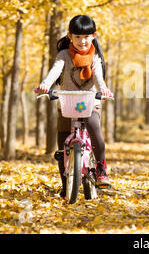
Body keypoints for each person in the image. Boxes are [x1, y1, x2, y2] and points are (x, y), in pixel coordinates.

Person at [37, 15, 112, 197]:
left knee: (95, 131)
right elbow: (55, 70)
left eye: (86, 36)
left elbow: (98, 78)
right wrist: (45, 84)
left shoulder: (95, 57)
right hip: (67, 104)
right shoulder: (64, 55)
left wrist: (103, 89)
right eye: (77, 37)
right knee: (62, 147)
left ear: (93, 36)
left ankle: (101, 167)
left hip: (89, 103)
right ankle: (66, 186)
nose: (82, 41)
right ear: (70, 37)